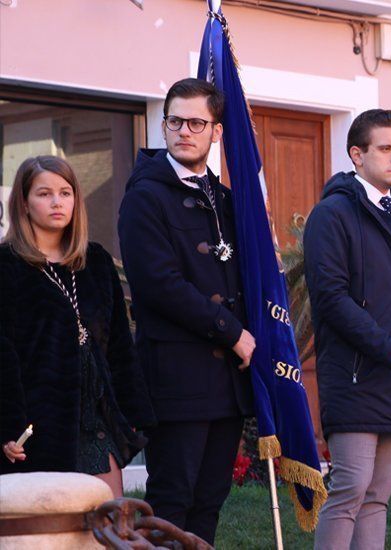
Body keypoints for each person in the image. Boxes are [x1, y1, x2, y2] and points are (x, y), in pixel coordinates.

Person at [118, 78, 253, 544]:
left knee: (210, 500)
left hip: (227, 383)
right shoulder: (144, 195)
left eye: (197, 122)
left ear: (216, 130)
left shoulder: (228, 200)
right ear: (164, 124)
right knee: (172, 501)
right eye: (175, 121)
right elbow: (158, 286)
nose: (184, 131)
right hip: (177, 375)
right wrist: (231, 331)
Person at [304, 109, 391, 550]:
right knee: (349, 491)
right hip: (357, 374)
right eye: (386, 149)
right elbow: (332, 299)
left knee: (378, 497)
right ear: (357, 155)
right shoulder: (332, 214)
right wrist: (390, 350)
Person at [1, 156, 155, 497]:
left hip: (95, 420)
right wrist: (9, 428)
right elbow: (2, 355)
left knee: (107, 526)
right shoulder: (6, 266)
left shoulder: (95, 261)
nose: (57, 202)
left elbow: (118, 345)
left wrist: (136, 413)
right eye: (44, 193)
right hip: (38, 427)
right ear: (24, 203)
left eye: (65, 192)